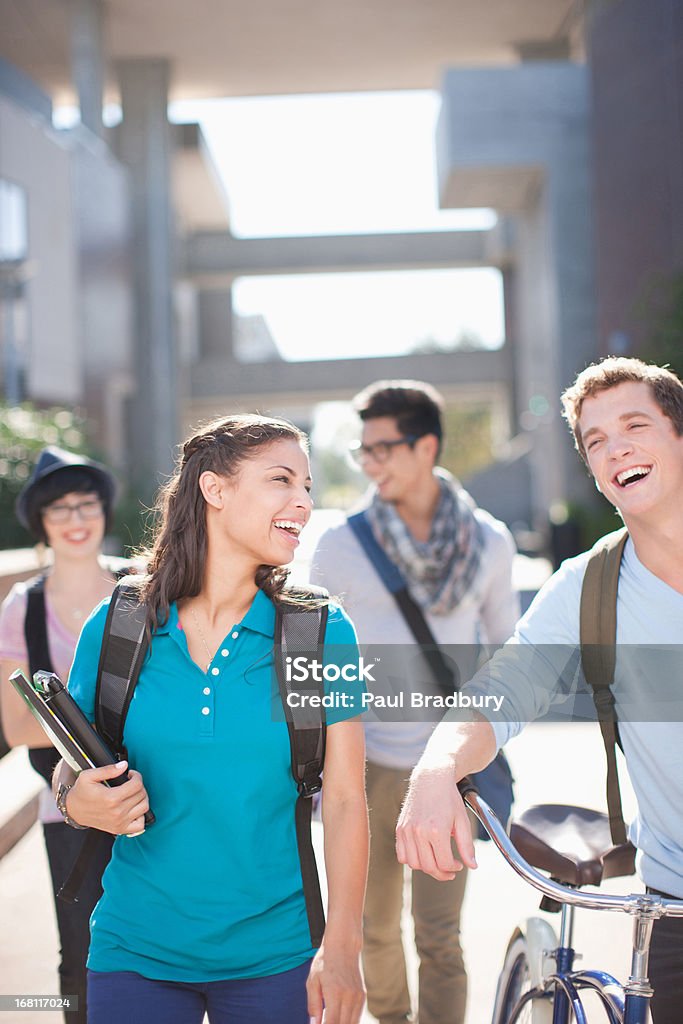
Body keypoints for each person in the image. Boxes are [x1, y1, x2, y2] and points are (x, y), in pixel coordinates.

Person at [52, 414, 368, 1024]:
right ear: (215, 490)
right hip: (132, 950)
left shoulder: (322, 634)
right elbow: (76, 770)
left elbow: (349, 800)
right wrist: (78, 803)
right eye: (282, 480)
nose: (303, 502)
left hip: (278, 958)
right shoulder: (120, 624)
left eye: (307, 486)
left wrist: (344, 950)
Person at [396, 356, 683, 1024]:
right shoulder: (588, 587)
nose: (615, 449)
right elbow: (498, 693)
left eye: (633, 425)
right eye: (595, 441)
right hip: (673, 905)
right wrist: (437, 768)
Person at [311, 381, 519, 1024]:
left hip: (445, 771)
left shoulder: (488, 541)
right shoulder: (341, 546)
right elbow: (310, 658)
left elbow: (508, 657)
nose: (369, 463)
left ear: (425, 445)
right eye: (363, 450)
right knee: (372, 930)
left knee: (439, 936)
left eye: (383, 448)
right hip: (361, 767)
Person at [0, 446, 120, 1024]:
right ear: (42, 525)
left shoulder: (139, 588)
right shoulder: (22, 607)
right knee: (79, 956)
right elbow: (18, 725)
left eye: (86, 505)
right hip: (64, 810)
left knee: (170, 953)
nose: (75, 520)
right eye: (59, 510)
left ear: (104, 511)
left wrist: (70, 721)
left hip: (157, 794)